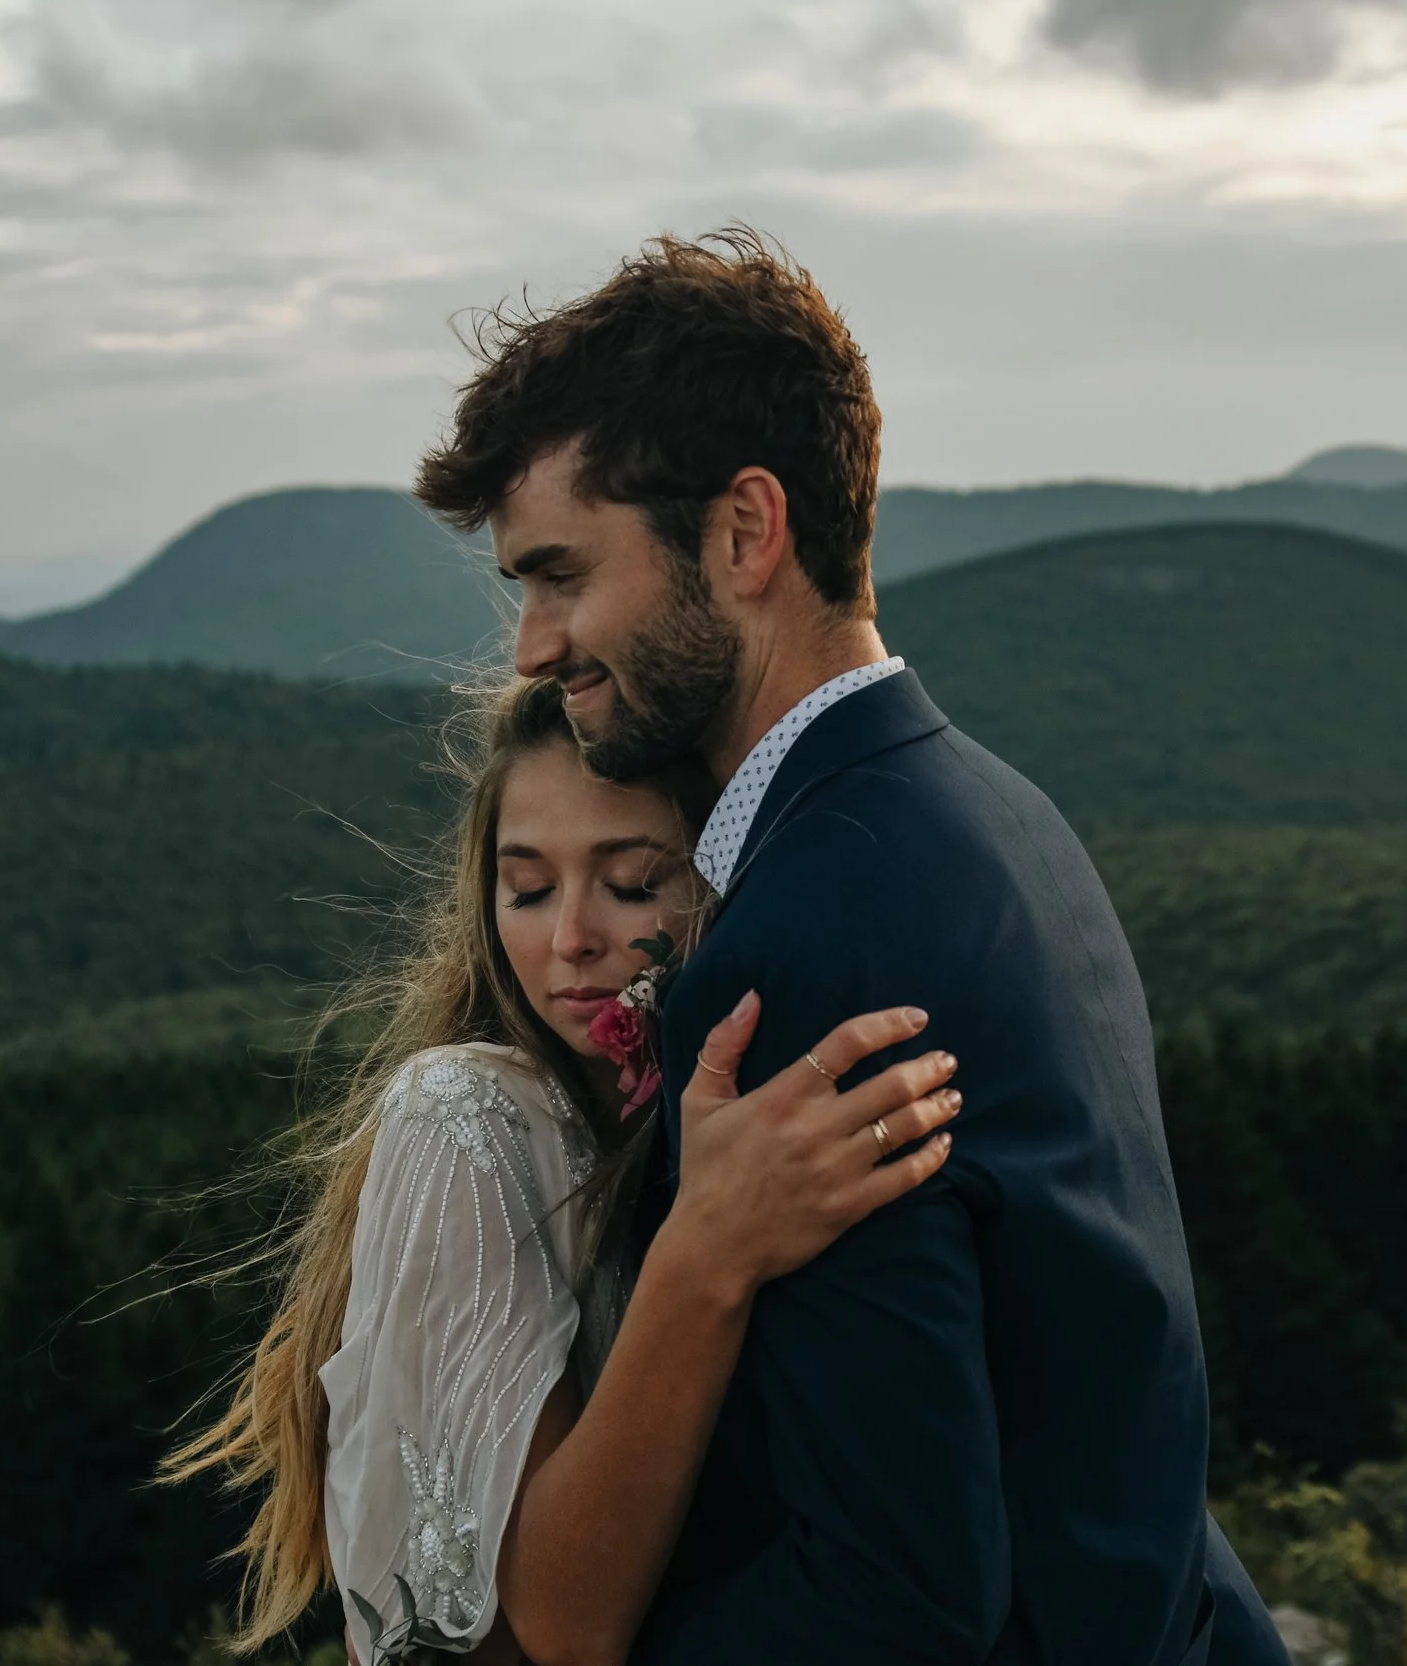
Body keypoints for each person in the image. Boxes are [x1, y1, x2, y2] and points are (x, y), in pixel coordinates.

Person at [415, 231, 1289, 1664]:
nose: (531, 643)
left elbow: (895, 1591)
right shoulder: (1001, 811)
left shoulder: (801, 948)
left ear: (745, 532)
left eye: (561, 573)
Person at [167, 677, 966, 1665]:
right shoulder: (465, 1109)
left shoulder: (661, 1125)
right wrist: (708, 1251)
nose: (571, 936)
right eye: (528, 887)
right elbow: (568, 1629)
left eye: (632, 882)